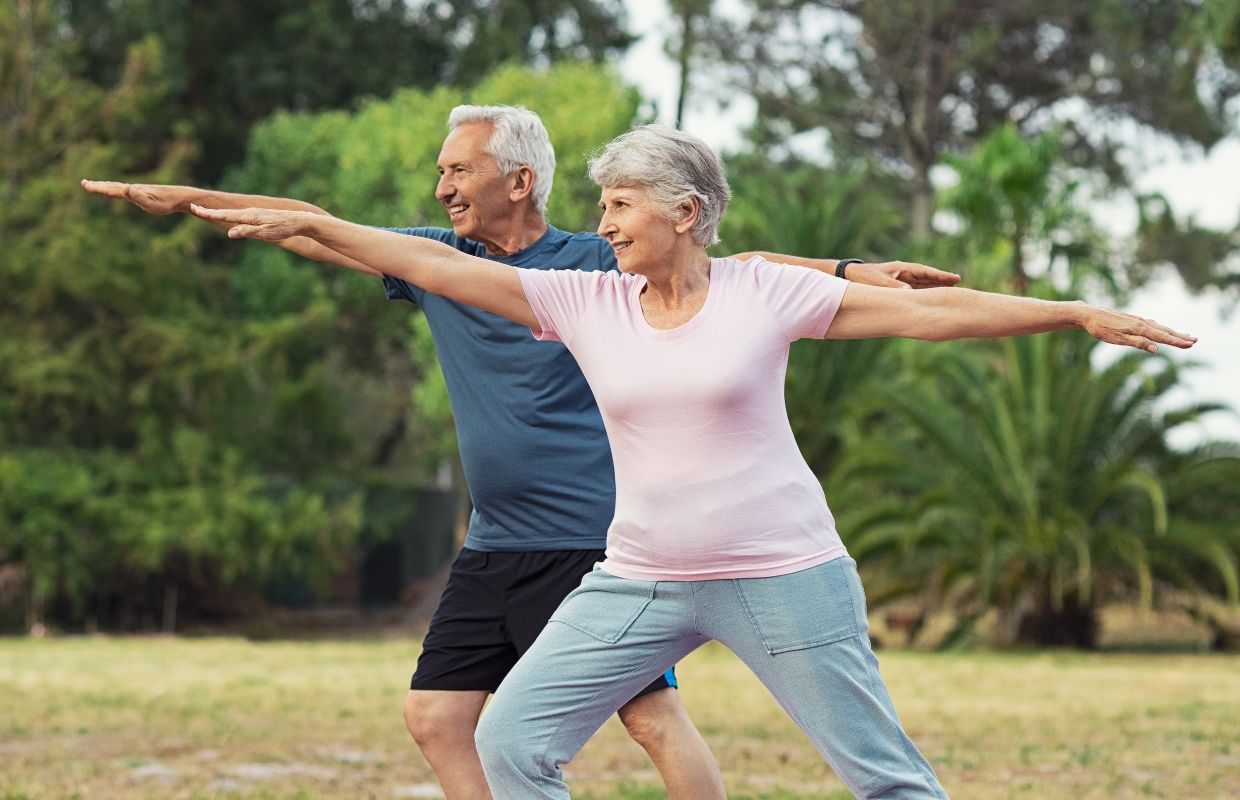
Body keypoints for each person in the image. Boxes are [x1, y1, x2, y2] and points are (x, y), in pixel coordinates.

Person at [184, 123, 1196, 799]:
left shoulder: (764, 291)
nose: (606, 222)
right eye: (604, 204)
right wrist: (315, 224)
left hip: (782, 573)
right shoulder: (585, 302)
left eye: (623, 204)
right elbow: (432, 264)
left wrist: (1070, 311)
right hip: (641, 576)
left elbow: (933, 315)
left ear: (686, 212)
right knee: (509, 743)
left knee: (885, 777)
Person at [83, 106, 963, 800]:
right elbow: (324, 226)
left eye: (457, 170)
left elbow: (733, 265)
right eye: (439, 172)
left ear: (520, 178)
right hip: (497, 538)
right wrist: (193, 198)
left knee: (652, 722)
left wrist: (848, 272)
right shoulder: (440, 262)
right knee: (438, 716)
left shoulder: (593, 264)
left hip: (595, 540)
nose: (441, 189)